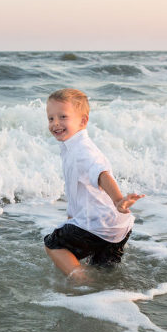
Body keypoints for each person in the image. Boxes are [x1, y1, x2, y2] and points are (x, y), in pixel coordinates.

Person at [43, 88, 144, 283]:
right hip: (117, 227)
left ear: (83, 121)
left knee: (53, 244)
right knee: (103, 272)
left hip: (99, 224)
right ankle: (102, 296)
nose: (55, 123)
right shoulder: (73, 146)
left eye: (63, 117)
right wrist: (73, 217)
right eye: (51, 118)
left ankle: (81, 281)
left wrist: (118, 199)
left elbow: (101, 173)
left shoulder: (83, 151)